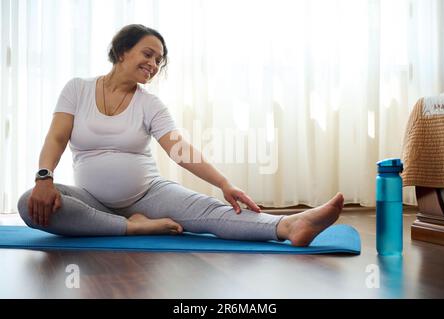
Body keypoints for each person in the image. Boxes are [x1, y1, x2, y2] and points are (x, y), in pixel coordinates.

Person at [17, 24, 344, 246]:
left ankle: (289, 225)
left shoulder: (150, 104)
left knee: (210, 213)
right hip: (92, 201)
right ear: (121, 52)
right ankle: (135, 226)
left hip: (148, 194)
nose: (153, 64)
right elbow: (56, 138)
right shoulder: (78, 89)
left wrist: (225, 184)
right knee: (29, 205)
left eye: (159, 60)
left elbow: (179, 150)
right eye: (147, 54)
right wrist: (44, 178)